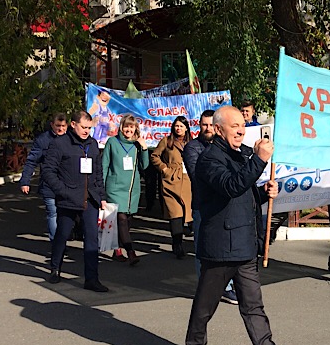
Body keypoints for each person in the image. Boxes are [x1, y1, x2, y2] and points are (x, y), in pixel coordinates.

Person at [184, 105, 305, 345]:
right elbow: (230, 187)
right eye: (234, 125)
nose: (241, 130)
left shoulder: (240, 155)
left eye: (242, 124)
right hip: (220, 247)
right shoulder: (209, 159)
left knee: (253, 307)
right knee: (205, 306)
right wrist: (259, 161)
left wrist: (263, 192)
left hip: (244, 245)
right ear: (218, 129)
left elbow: (243, 195)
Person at [41, 111, 109, 292]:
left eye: (89, 128)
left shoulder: (93, 145)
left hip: (90, 200)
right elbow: (48, 171)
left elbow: (98, 173)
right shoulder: (60, 144)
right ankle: (55, 268)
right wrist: (62, 191)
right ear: (73, 125)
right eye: (83, 127)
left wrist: (101, 196)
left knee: (92, 240)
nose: (87, 131)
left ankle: (92, 279)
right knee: (62, 235)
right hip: (68, 200)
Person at [182, 109, 239, 305]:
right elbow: (197, 176)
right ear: (199, 125)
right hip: (203, 206)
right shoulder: (193, 147)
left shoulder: (225, 146)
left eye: (210, 125)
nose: (207, 128)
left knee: (225, 247)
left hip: (225, 205)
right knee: (203, 249)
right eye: (204, 124)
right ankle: (205, 290)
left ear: (217, 127)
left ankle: (227, 287)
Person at [101, 114, 149, 265]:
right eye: (126, 126)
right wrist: (101, 191)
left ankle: (117, 250)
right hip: (114, 189)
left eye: (131, 126)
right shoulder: (112, 142)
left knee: (126, 222)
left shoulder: (136, 145)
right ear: (121, 127)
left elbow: (144, 166)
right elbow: (104, 165)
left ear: (136, 128)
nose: (129, 129)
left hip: (131, 190)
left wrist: (144, 148)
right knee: (121, 219)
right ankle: (130, 252)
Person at [19, 113, 67, 246]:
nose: (61, 129)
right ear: (52, 125)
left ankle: (63, 238)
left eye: (63, 126)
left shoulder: (70, 139)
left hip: (66, 184)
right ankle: (57, 244)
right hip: (49, 184)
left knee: (65, 214)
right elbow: (31, 161)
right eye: (58, 126)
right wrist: (25, 181)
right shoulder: (43, 140)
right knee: (53, 213)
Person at [151, 115, 193, 258]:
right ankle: (177, 244)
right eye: (176, 126)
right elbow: (154, 156)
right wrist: (164, 169)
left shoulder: (191, 142)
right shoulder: (167, 141)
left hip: (187, 181)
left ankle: (183, 240)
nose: (178, 128)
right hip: (171, 181)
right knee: (175, 213)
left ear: (186, 128)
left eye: (181, 126)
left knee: (185, 213)